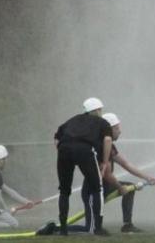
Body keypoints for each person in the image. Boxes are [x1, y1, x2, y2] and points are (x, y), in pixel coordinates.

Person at [74, 112, 155, 234]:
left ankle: (127, 225)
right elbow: (107, 174)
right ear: (109, 129)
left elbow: (126, 164)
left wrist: (148, 178)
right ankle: (55, 229)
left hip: (105, 187)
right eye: (117, 128)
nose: (120, 131)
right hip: (93, 191)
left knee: (130, 188)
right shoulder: (100, 146)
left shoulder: (110, 147)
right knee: (91, 229)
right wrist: (120, 187)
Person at [54, 97, 113, 236]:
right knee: (97, 189)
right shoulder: (102, 122)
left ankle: (63, 229)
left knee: (64, 190)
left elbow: (56, 138)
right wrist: (105, 162)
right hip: (85, 150)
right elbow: (108, 139)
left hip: (64, 148)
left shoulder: (72, 120)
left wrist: (62, 152)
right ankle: (98, 228)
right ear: (98, 110)